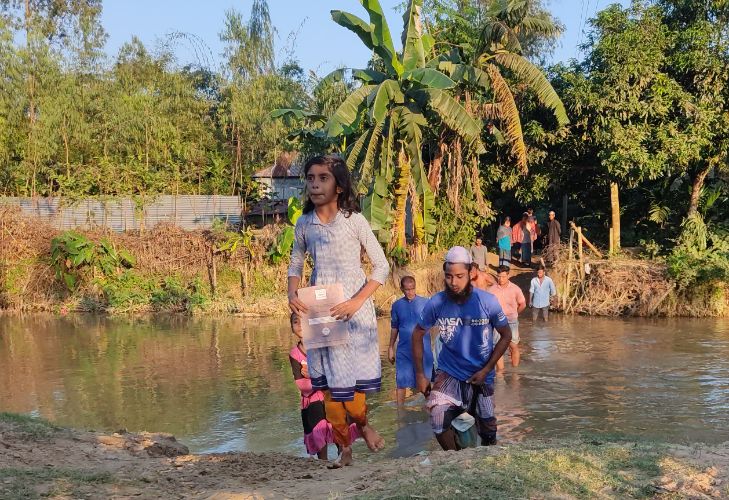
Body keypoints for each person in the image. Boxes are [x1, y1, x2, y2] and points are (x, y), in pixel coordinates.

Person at [288, 154, 389, 467]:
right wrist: (292, 295)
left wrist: (357, 302)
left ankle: (363, 423)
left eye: (323, 178)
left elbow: (382, 266)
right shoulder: (305, 223)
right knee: (330, 390)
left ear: (340, 186)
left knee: (354, 389)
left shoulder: (354, 222)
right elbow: (295, 263)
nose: (315, 184)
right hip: (320, 306)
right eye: (310, 178)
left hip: (354, 310)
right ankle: (344, 449)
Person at [411, 246, 512, 450]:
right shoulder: (437, 302)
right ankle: (455, 459)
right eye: (449, 276)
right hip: (449, 372)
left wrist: (486, 369)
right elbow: (417, 333)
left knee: (488, 430)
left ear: (471, 272)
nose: (454, 282)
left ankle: (487, 458)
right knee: (438, 417)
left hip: (481, 373)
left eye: (459, 276)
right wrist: (420, 374)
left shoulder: (487, 301)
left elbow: (506, 335)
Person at [288, 313, 360, 460]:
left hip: (332, 396)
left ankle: (344, 458)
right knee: (318, 431)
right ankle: (323, 463)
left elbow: (338, 372)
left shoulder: (324, 346)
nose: (300, 325)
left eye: (304, 321)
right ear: (291, 328)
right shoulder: (295, 354)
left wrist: (314, 375)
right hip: (312, 400)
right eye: (296, 322)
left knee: (339, 427)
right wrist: (322, 378)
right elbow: (302, 386)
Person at [388, 276, 432, 406]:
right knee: (401, 382)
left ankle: (430, 413)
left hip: (424, 349)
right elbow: (394, 327)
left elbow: (434, 324)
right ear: (402, 289)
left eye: (412, 289)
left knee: (426, 380)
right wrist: (391, 347)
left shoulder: (425, 303)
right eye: (407, 289)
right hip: (404, 350)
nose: (410, 292)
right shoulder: (397, 306)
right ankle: (400, 414)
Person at [488, 266, 527, 370]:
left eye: (503, 277)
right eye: (499, 276)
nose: (501, 279)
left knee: (513, 346)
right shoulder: (492, 290)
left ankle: (515, 371)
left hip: (511, 321)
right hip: (497, 322)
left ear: (508, 276)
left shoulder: (515, 289)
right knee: (497, 347)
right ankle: (501, 373)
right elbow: (487, 306)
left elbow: (522, 304)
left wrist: (515, 314)